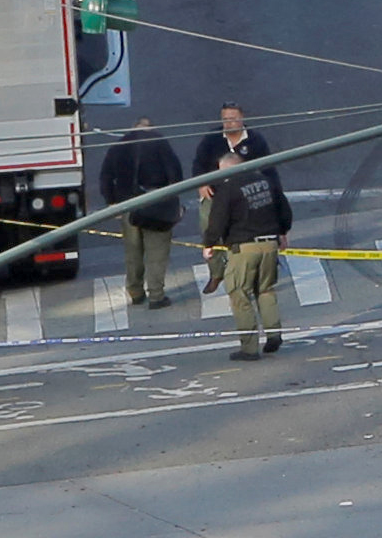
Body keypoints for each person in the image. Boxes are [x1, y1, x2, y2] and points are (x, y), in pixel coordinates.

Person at [203, 152, 293, 361]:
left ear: (225, 169)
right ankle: (273, 333)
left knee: (239, 293)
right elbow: (284, 209)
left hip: (243, 247)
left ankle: (249, 347)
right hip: (270, 243)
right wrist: (282, 232)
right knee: (265, 289)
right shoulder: (266, 181)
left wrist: (209, 244)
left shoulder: (227, 189)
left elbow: (217, 221)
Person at [190, 102, 285, 294]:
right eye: (225, 119)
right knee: (209, 228)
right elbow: (198, 165)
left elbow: (269, 171)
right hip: (216, 194)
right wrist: (202, 184)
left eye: (233, 119)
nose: (229, 123)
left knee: (244, 234)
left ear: (242, 119)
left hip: (246, 197)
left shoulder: (256, 141)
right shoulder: (211, 140)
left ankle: (251, 275)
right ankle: (216, 273)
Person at [98, 118, 184, 310]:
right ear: (152, 128)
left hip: (128, 205)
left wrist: (112, 202)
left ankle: (135, 291)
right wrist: (173, 201)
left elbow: (105, 176)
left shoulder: (119, 146)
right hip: (157, 203)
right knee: (157, 252)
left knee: (133, 252)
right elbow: (175, 174)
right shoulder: (160, 142)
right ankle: (156, 295)